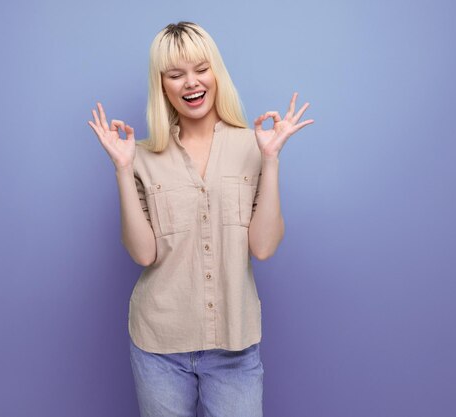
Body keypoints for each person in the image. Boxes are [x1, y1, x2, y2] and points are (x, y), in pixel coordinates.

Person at [87, 21, 313, 417]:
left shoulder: (254, 144)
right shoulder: (140, 155)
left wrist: (272, 160)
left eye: (200, 69)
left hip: (234, 346)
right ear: (163, 85)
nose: (191, 83)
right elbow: (143, 254)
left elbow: (263, 247)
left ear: (216, 73)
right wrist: (123, 169)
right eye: (176, 75)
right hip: (159, 345)